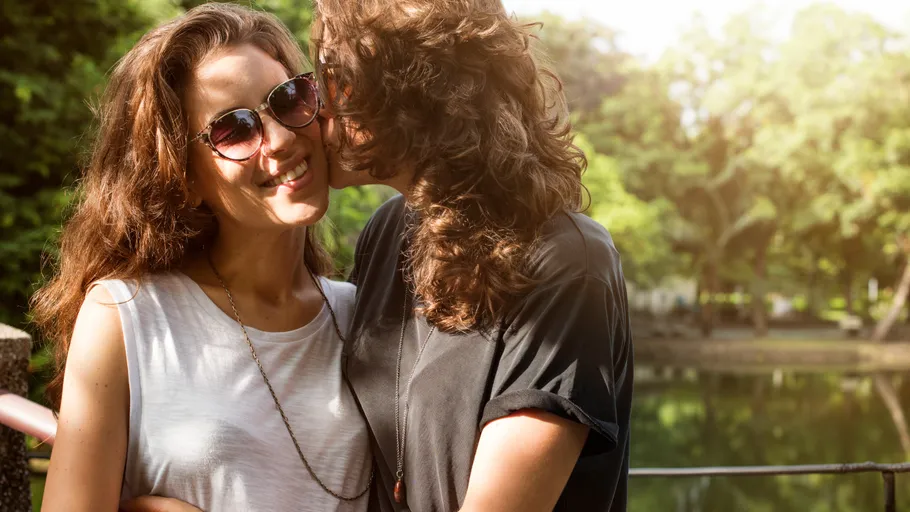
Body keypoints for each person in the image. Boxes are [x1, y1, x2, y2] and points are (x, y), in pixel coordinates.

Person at [32, 4, 372, 511]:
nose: (279, 140)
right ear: (183, 176)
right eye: (234, 130)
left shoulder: (364, 314)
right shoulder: (128, 318)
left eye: (289, 98)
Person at [313, 0, 634, 510]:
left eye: (335, 78)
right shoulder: (388, 233)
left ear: (413, 91)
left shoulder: (567, 263)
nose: (317, 104)